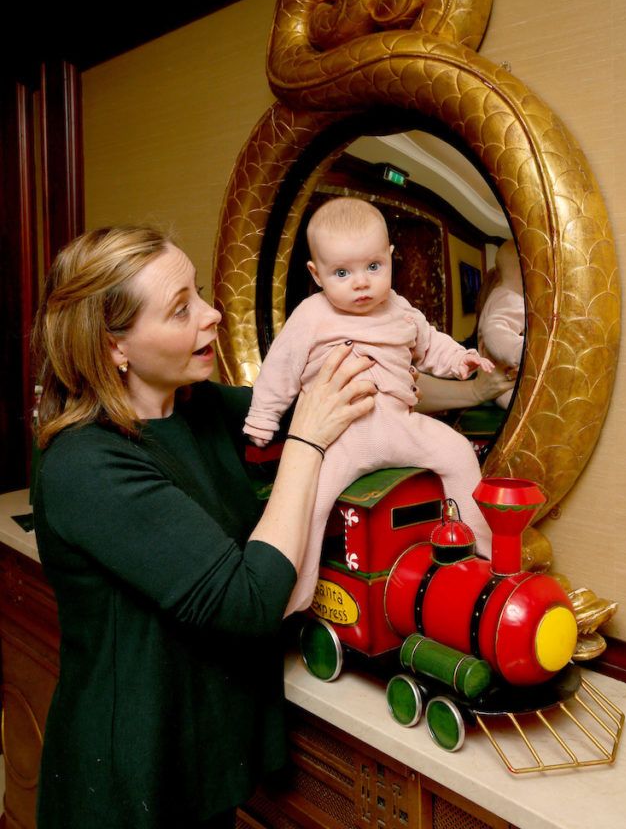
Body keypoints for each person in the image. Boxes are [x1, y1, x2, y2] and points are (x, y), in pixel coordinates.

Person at [31, 225, 378, 829]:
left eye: (201, 293)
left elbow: (346, 400)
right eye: (181, 308)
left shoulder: (202, 409)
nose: (213, 314)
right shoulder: (85, 464)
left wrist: (462, 378)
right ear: (116, 347)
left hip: (199, 754)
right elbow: (247, 600)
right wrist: (307, 443)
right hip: (129, 782)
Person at [244, 198, 496, 613]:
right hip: (341, 438)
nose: (361, 283)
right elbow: (280, 369)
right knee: (310, 502)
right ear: (316, 274)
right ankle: (297, 594)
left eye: (373, 267)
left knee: (456, 451)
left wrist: (460, 360)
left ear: (390, 260)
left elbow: (430, 344)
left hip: (401, 425)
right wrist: (262, 418)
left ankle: (479, 553)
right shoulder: (311, 316)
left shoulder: (400, 310)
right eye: (342, 273)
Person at [477, 239, 525, 408]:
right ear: (525, 273)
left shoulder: (497, 295)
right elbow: (493, 330)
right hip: (505, 386)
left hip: (494, 381)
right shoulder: (512, 300)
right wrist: (526, 349)